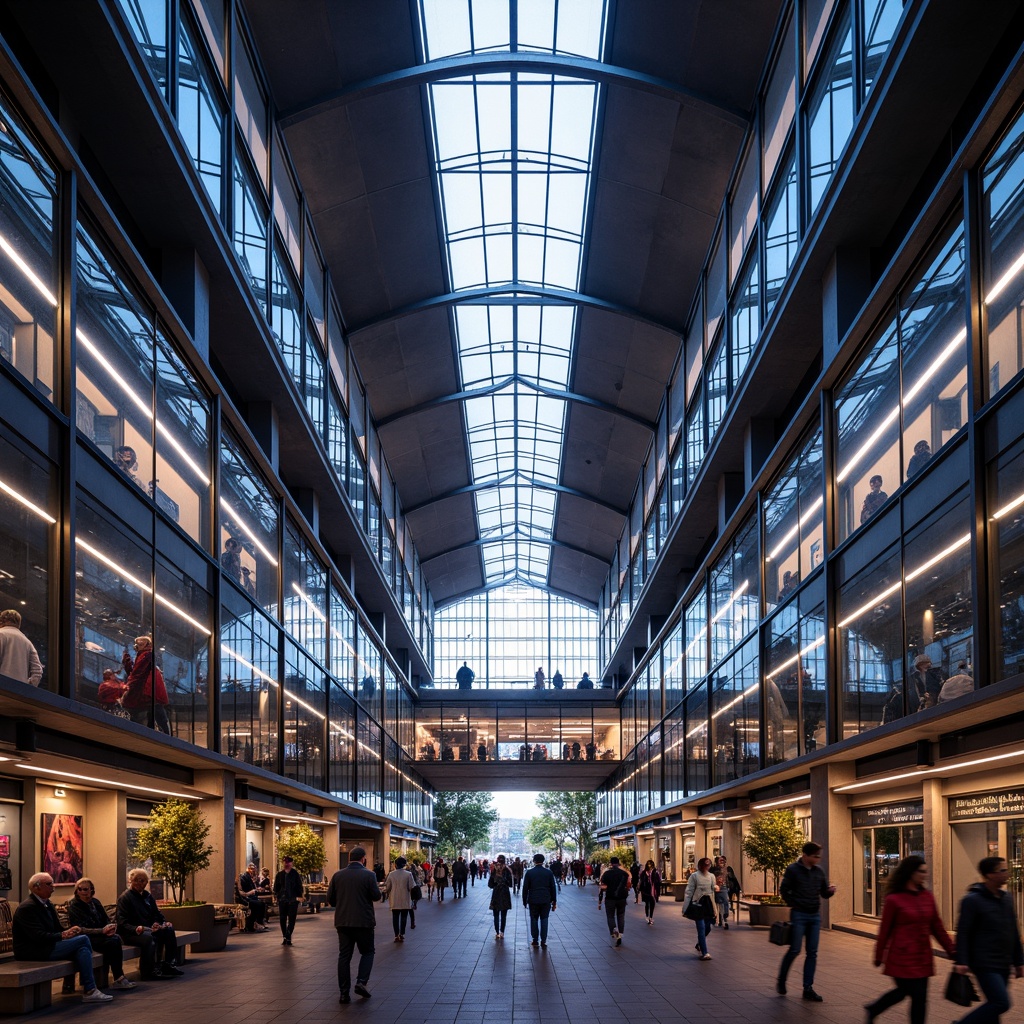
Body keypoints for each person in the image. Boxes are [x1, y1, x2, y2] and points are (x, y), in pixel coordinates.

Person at [865, 855, 954, 1024]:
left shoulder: (927, 896)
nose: (925, 875)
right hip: (901, 956)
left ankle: (874, 1008)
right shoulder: (894, 899)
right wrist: (878, 956)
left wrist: (951, 949)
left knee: (919, 998)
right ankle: (875, 1008)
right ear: (911, 873)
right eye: (921, 872)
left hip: (922, 956)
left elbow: (937, 927)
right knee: (907, 992)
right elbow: (884, 931)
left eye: (926, 872)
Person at [13, 872, 114, 1002]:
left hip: (47, 945)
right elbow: (38, 937)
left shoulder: (47, 904)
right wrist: (63, 935)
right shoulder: (27, 908)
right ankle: (87, 984)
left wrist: (69, 931)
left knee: (82, 949)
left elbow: (57, 928)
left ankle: (90, 990)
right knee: (83, 940)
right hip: (33, 950)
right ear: (36, 887)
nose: (53, 887)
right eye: (49, 884)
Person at [953, 856, 1024, 1024]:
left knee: (994, 1007)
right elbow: (963, 932)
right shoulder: (972, 900)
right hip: (984, 963)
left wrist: (1019, 961)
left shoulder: (1006, 898)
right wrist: (961, 961)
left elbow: (1013, 930)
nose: (1007, 873)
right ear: (990, 875)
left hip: (1003, 963)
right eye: (1003, 870)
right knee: (1001, 1002)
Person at [777, 841, 836, 1001]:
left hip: (814, 916)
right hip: (799, 915)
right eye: (815, 856)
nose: (818, 859)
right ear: (806, 855)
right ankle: (782, 980)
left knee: (812, 953)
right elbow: (784, 890)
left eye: (819, 856)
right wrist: (794, 903)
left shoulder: (819, 871)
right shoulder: (793, 870)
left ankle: (808, 988)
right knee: (795, 950)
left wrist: (830, 891)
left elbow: (823, 893)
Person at [327, 846, 381, 1003]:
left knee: (344, 956)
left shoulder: (337, 875)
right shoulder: (369, 875)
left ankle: (344, 993)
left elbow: (331, 899)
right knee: (368, 952)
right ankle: (361, 982)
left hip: (343, 922)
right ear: (363, 858)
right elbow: (376, 896)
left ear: (350, 858)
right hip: (364, 922)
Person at [66, 877, 136, 992]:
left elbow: (105, 919)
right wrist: (101, 931)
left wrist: (109, 927)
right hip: (86, 938)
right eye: (80, 889)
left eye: (86, 889)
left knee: (115, 938)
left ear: (91, 890)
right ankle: (118, 977)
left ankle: (118, 977)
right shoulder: (74, 906)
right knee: (113, 942)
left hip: (100, 935)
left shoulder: (95, 902)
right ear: (76, 891)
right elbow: (79, 929)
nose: (83, 892)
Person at [116, 868, 183, 980]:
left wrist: (160, 923)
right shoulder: (125, 898)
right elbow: (121, 922)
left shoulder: (147, 896)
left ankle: (168, 964)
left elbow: (157, 914)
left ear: (147, 882)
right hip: (130, 933)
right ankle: (148, 972)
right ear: (130, 881)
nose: (139, 883)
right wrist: (136, 928)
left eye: (143, 881)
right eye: (136, 880)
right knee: (149, 938)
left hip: (148, 929)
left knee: (169, 930)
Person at [121, 635, 170, 734]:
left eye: (140, 644)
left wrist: (128, 690)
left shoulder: (145, 656)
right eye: (137, 644)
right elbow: (135, 673)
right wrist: (127, 663)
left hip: (147, 692)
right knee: (156, 715)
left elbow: (136, 674)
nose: (137, 646)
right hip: (149, 692)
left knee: (146, 714)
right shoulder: (143, 656)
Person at [681, 857, 718, 960]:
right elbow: (689, 892)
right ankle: (705, 952)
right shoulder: (694, 876)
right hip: (698, 904)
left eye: (708, 865)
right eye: (705, 865)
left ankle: (699, 944)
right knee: (701, 928)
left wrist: (715, 888)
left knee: (708, 927)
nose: (706, 867)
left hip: (708, 904)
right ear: (700, 865)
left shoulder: (711, 876)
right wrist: (686, 907)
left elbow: (712, 892)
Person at [0, 608, 44, 686]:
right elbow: (37, 672)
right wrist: (27, 687)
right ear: (19, 623)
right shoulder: (28, 642)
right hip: (18, 694)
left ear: (2, 621)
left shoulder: (1, 634)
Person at [522, 853, 557, 948]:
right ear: (543, 861)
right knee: (544, 919)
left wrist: (524, 900)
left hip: (533, 899)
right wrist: (554, 900)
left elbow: (525, 888)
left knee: (534, 919)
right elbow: (553, 887)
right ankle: (544, 940)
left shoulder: (529, 873)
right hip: (546, 899)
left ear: (534, 861)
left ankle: (535, 940)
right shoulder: (548, 872)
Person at [273, 855, 304, 945]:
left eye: (288, 862)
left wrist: (298, 897)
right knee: (282, 918)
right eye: (285, 862)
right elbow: (276, 887)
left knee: (292, 919)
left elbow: (299, 886)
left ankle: (288, 935)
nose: (286, 864)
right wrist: (277, 895)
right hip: (282, 900)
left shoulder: (295, 874)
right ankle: (285, 936)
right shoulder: (280, 875)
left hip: (293, 900)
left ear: (291, 863)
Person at [601, 855, 631, 946]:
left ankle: (614, 930)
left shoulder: (607, 873)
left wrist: (602, 894)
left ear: (611, 863)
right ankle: (620, 935)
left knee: (610, 916)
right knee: (621, 916)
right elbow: (628, 885)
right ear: (618, 863)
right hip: (622, 898)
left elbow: (603, 886)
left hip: (610, 898)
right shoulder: (625, 874)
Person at [384, 856, 415, 943]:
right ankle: (402, 934)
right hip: (405, 898)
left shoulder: (391, 874)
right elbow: (411, 886)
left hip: (394, 898)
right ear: (404, 865)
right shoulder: (408, 874)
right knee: (404, 917)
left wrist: (386, 893)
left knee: (395, 917)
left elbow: (388, 887)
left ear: (395, 864)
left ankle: (396, 935)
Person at [237, 863, 269, 932]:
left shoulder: (249, 878)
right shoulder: (245, 878)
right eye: (251, 869)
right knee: (259, 904)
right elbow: (243, 892)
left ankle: (259, 922)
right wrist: (250, 892)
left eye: (254, 869)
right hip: (245, 899)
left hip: (249, 897)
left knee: (262, 903)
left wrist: (256, 889)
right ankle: (256, 923)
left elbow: (252, 888)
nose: (253, 871)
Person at [488, 854, 514, 938]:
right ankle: (502, 932)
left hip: (496, 892)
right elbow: (511, 883)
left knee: (496, 913)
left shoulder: (494, 869)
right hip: (505, 892)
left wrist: (495, 884)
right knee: (504, 914)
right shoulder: (507, 869)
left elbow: (490, 884)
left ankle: (497, 932)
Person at [638, 859, 661, 926]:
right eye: (649, 866)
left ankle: (650, 917)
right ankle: (648, 916)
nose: (650, 867)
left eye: (651, 865)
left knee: (652, 903)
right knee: (647, 904)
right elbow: (641, 882)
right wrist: (640, 889)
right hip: (645, 891)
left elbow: (658, 881)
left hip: (653, 891)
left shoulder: (655, 873)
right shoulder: (643, 873)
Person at [714, 856, 730, 928]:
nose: (722, 862)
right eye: (720, 861)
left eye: (723, 861)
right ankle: (720, 919)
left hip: (723, 887)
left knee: (725, 902)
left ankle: (725, 916)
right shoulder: (714, 869)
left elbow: (730, 879)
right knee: (718, 903)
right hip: (715, 887)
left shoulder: (727, 869)